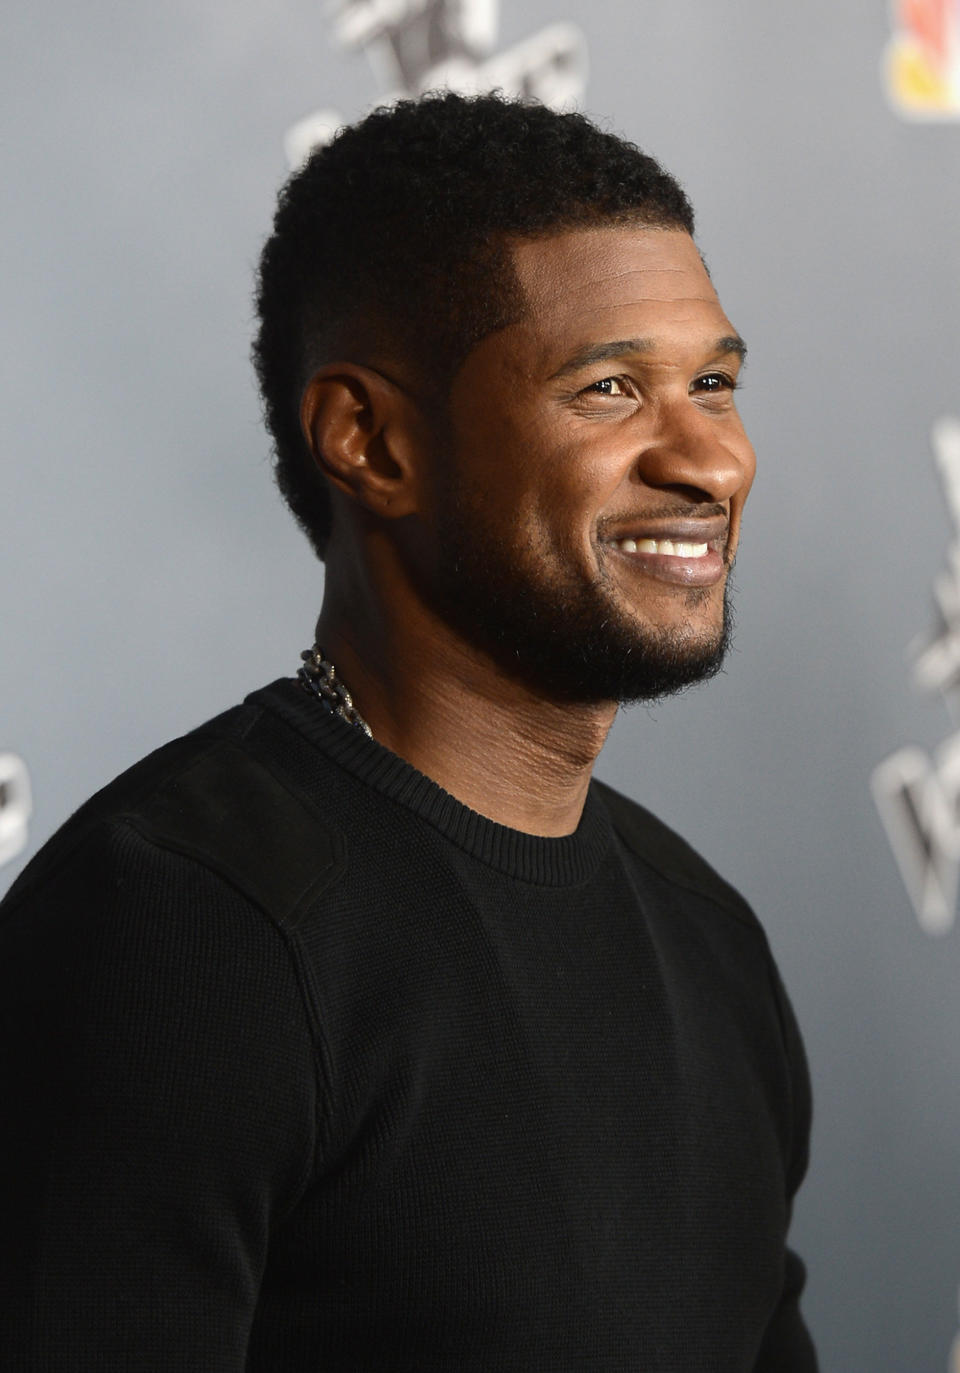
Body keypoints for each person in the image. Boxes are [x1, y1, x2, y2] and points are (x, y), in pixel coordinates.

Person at [0, 92, 817, 1370]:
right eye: (609, 388)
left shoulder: (707, 935)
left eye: (714, 382)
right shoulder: (178, 934)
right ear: (370, 440)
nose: (711, 460)